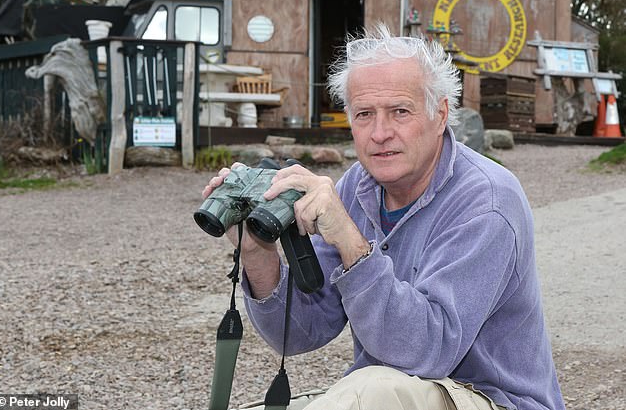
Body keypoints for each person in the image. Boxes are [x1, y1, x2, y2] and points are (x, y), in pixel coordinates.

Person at [202, 24, 565, 410]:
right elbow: (302, 332)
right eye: (364, 114)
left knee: (371, 389)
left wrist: (349, 240)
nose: (379, 133)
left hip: (494, 398)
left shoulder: (487, 201)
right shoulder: (358, 185)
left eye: (399, 112)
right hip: (400, 391)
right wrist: (257, 250)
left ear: (440, 114)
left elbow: (426, 351)